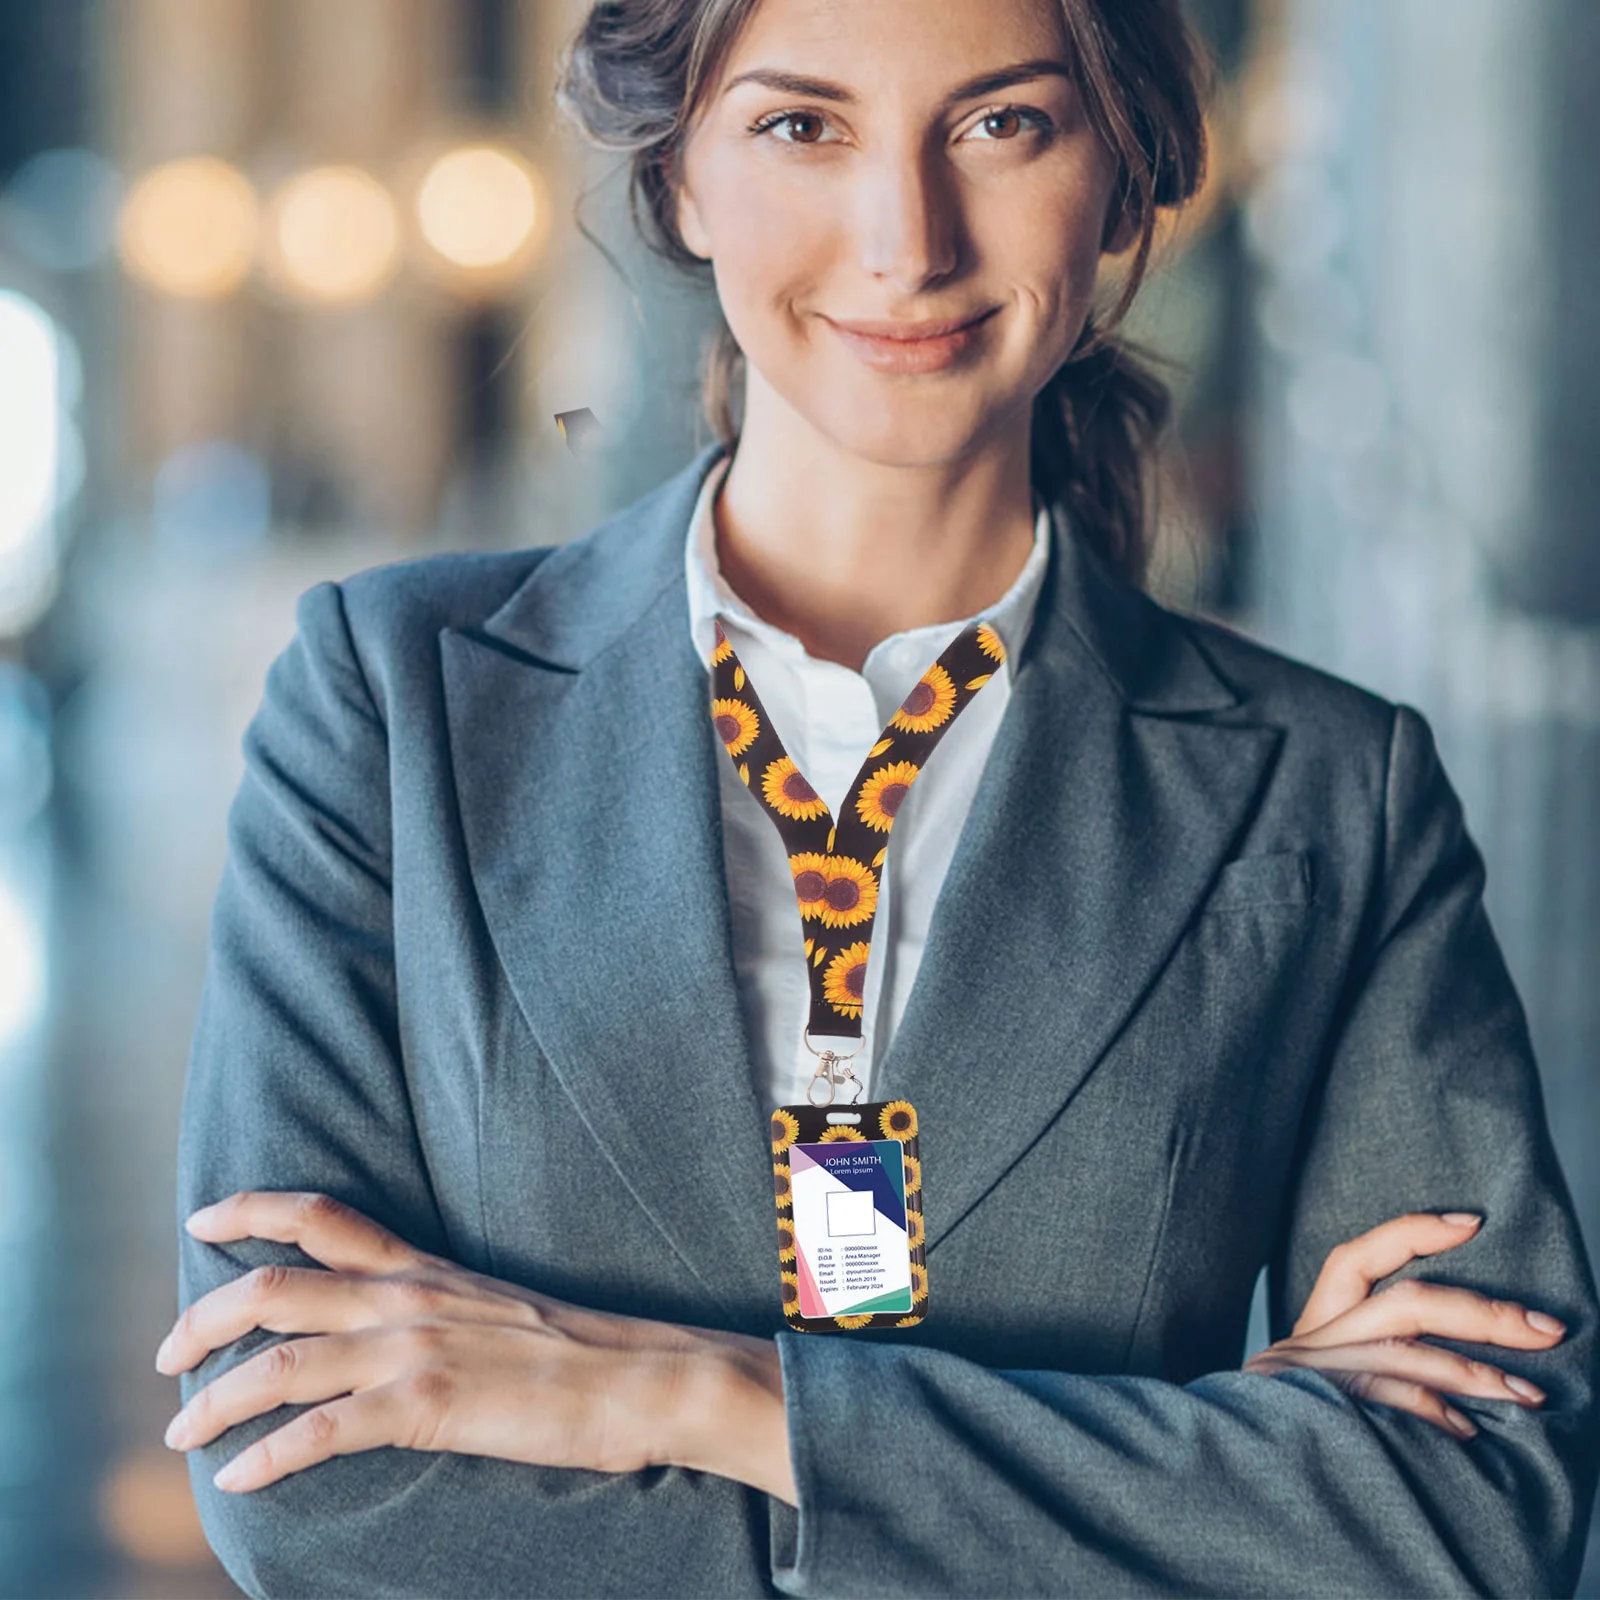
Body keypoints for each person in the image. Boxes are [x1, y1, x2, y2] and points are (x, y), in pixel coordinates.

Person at [158, 0, 1600, 1593]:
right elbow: (292, 1459)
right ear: (682, 178)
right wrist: (1183, 1474)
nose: (904, 240)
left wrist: (693, 1394)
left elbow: (1469, 1520)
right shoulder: (392, 700)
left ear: (1123, 179)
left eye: (1003, 125)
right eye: (802, 127)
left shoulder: (1335, 795)